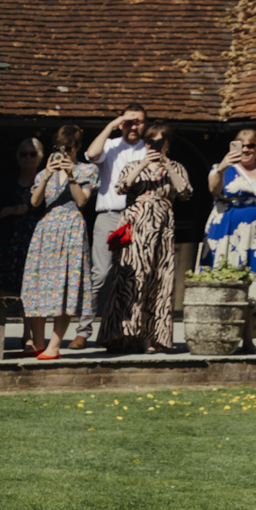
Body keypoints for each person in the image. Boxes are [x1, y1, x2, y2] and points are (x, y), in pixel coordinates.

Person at [99, 123, 191, 354]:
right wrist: (142, 164)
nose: (154, 146)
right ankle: (122, 335)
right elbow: (121, 187)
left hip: (162, 227)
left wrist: (167, 166)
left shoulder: (176, 167)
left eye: (159, 142)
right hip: (136, 225)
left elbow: (185, 193)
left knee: (159, 279)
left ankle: (150, 338)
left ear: (167, 144)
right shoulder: (133, 165)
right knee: (131, 278)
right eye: (150, 142)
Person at [19, 124, 96, 358]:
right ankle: (38, 343)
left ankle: (54, 346)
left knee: (66, 287)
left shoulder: (87, 170)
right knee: (37, 285)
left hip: (71, 228)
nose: (64, 152)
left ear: (77, 147)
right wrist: (47, 174)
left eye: (68, 148)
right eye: (59, 148)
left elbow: (82, 201)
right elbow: (35, 202)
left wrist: (71, 176)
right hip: (46, 229)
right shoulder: (45, 172)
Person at [205, 127, 256, 329]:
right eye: (241, 145)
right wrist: (222, 167)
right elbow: (213, 189)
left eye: (251, 145)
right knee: (222, 276)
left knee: (254, 280)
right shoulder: (221, 167)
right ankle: (219, 329)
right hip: (225, 231)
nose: (245, 149)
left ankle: (249, 335)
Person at [83, 106, 149, 341]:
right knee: (100, 274)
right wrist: (112, 124)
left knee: (133, 275)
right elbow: (91, 154)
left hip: (137, 216)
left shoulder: (148, 149)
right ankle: (83, 330)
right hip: (110, 215)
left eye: (138, 121)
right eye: (128, 121)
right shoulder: (110, 145)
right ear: (121, 123)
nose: (133, 126)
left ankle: (125, 331)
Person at [0, 136, 45, 297]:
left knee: (31, 287)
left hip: (34, 244)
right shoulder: (7, 182)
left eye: (32, 154)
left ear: (40, 157)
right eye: (23, 154)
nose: (28, 158)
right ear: (17, 157)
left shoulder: (47, 182)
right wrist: (12, 210)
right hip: (7, 242)